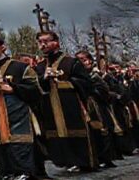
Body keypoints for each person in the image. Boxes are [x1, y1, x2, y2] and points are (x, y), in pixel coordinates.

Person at [0, 32, 43, 179]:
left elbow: (36, 90)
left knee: (20, 144)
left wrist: (13, 87)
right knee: (1, 144)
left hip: (20, 113)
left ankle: (25, 172)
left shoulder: (20, 67)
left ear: (3, 47)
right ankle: (8, 171)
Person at [34, 31, 97, 172]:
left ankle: (82, 161)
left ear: (56, 42)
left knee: (75, 131)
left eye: (46, 41)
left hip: (71, 104)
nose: (43, 45)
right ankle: (66, 161)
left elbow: (87, 83)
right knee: (55, 134)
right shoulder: (40, 66)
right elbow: (36, 87)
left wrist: (65, 80)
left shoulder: (71, 62)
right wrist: (44, 78)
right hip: (50, 105)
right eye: (40, 42)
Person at [75, 51, 118, 168]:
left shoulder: (95, 76)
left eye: (83, 60)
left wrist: (93, 91)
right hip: (83, 108)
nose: (81, 63)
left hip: (97, 108)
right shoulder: (77, 76)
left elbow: (105, 93)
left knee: (102, 132)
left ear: (89, 61)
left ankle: (105, 159)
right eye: (78, 60)